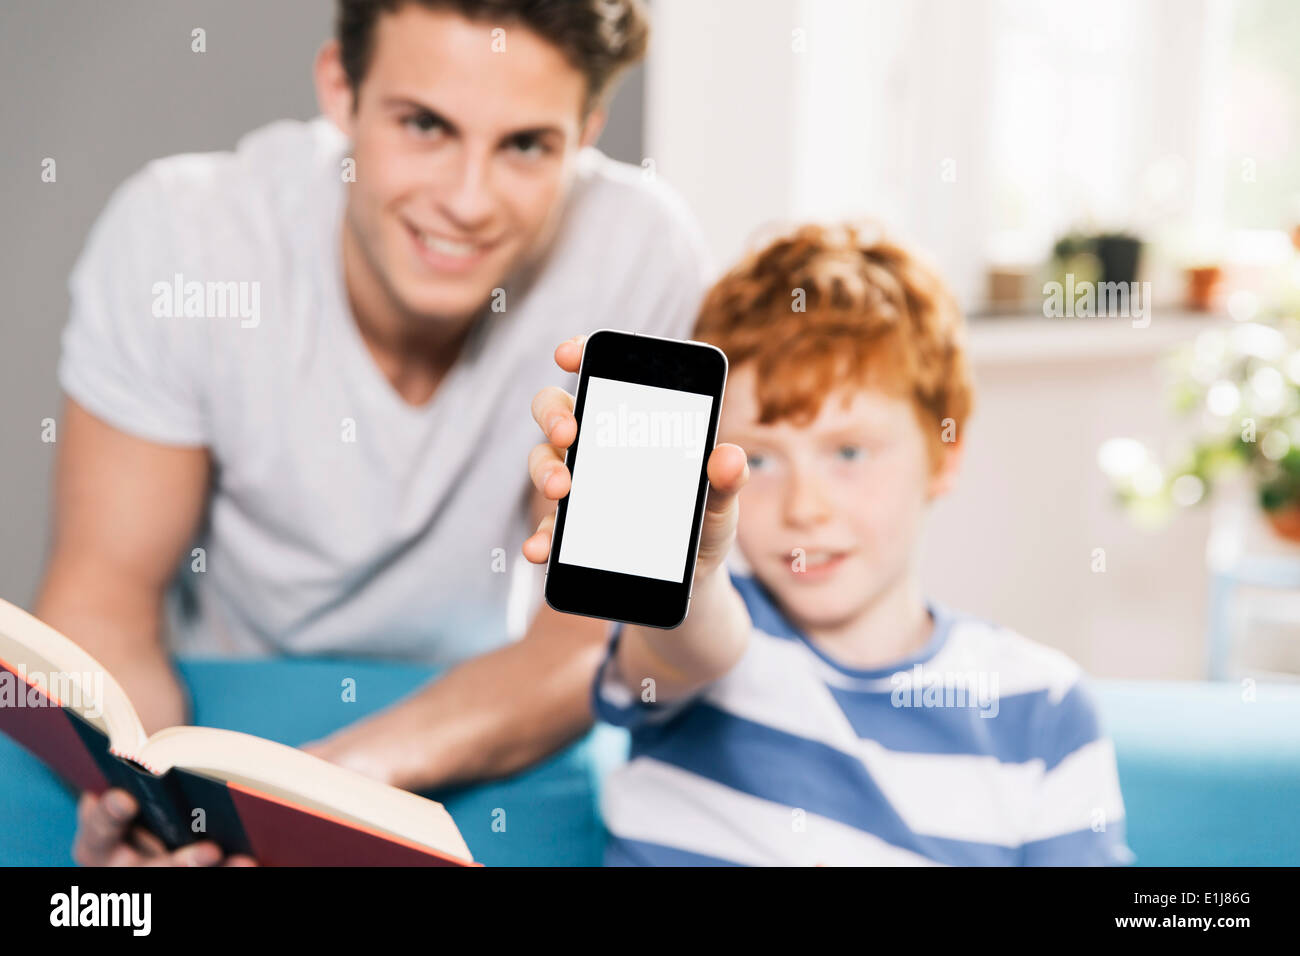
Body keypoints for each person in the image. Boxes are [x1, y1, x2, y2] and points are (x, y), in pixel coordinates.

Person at [46, 0, 709, 866]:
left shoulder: (642, 253)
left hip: (481, 718)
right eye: (425, 125)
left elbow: (589, 639)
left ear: (586, 131)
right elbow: (103, 599)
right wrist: (157, 808)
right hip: (222, 709)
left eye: (525, 145)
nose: (468, 201)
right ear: (341, 90)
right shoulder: (184, 236)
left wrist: (314, 792)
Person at [524, 224, 1134, 865]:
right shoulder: (710, 634)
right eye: (758, 460)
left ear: (943, 453)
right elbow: (687, 645)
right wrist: (695, 571)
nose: (804, 508)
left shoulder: (1041, 707)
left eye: (848, 452)